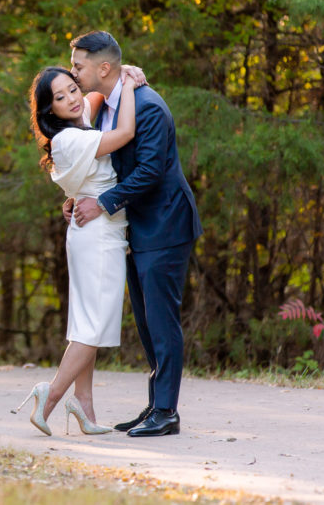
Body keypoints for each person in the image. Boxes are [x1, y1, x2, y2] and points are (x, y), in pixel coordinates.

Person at [67, 30, 202, 437]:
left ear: (102, 68)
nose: (73, 74)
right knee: (145, 321)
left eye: (78, 66)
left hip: (165, 223)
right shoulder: (108, 104)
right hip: (135, 227)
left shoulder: (149, 107)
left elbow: (149, 171)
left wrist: (102, 203)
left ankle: (167, 412)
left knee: (161, 320)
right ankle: (155, 406)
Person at [14, 66, 139, 436]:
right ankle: (49, 396)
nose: (71, 99)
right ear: (48, 109)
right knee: (94, 327)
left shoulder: (78, 117)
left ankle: (85, 410)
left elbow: (95, 95)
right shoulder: (68, 139)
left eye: (72, 90)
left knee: (87, 324)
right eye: (60, 97)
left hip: (93, 230)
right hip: (98, 235)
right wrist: (130, 85)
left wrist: (121, 70)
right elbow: (126, 132)